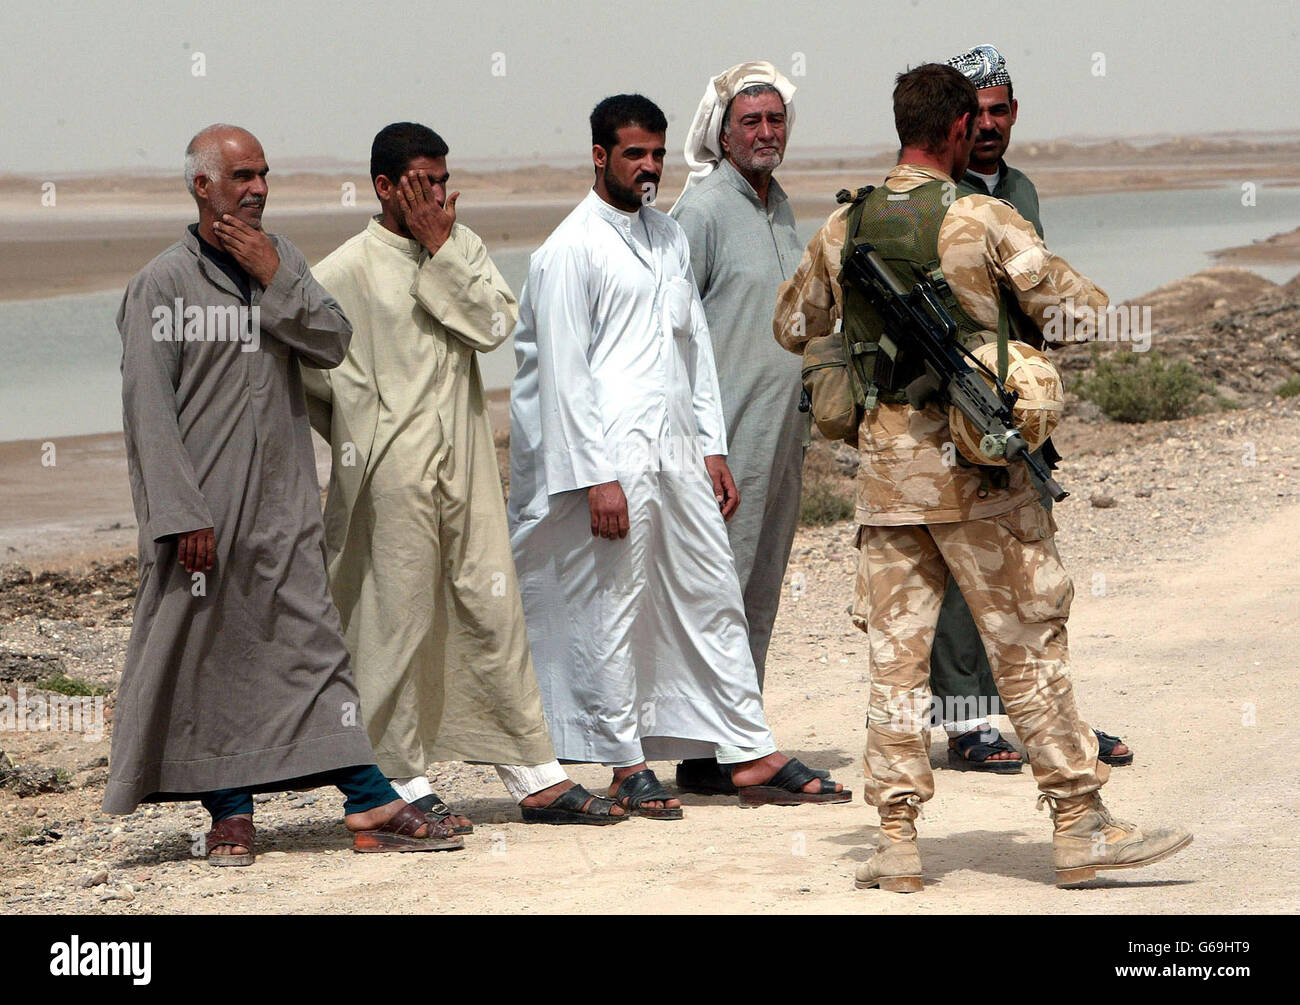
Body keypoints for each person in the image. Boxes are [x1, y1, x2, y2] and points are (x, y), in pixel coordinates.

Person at [773, 67, 1190, 890]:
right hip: (979, 472)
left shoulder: (844, 225)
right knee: (1028, 642)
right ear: (961, 127)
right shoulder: (981, 217)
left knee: (896, 664)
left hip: (889, 482)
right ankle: (1078, 823)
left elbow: (794, 324)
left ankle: (895, 839)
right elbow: (1079, 313)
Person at [106, 124, 462, 865]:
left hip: (286, 506)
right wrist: (178, 515)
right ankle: (230, 815)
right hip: (205, 514)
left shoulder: (282, 259)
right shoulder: (161, 285)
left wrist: (275, 276)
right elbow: (148, 416)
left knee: (312, 648)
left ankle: (368, 797)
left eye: (263, 174)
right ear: (203, 186)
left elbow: (331, 340)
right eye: (241, 176)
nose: (258, 187)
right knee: (210, 659)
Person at [509, 94, 848, 818]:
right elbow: (563, 376)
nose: (649, 167)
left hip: (679, 456)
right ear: (600, 156)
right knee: (614, 609)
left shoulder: (665, 237)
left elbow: (693, 350)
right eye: (634, 154)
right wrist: (595, 476)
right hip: (610, 463)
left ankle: (747, 748)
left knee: (711, 594)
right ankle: (625, 762)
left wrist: (713, 447)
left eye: (657, 154)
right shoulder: (571, 249)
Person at [304, 122, 624, 828]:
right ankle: (396, 779)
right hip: (394, 475)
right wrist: (366, 434)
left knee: (493, 610)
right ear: (385, 186)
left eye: (444, 182)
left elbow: (492, 325)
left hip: (470, 465)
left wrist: (443, 244)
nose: (437, 197)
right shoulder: (344, 270)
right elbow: (306, 370)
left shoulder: (461, 244)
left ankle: (535, 773)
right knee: (395, 620)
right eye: (423, 183)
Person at [929, 44, 1132, 772]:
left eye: (999, 110)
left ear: (1014, 113)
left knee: (1032, 566)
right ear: (956, 119)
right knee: (963, 566)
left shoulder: (1021, 188)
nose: (987, 124)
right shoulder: (936, 196)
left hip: (1022, 405)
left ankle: (1050, 713)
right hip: (959, 406)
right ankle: (963, 722)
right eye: (974, 112)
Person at [668, 62, 815, 797]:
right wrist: (698, 444)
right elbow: (668, 334)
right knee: (717, 591)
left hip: (781, 438)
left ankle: (722, 746)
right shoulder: (702, 210)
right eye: (750, 121)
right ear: (722, 133)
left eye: (775, 120)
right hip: (723, 446)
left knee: (758, 587)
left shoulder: (781, 205)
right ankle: (720, 746)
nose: (765, 132)